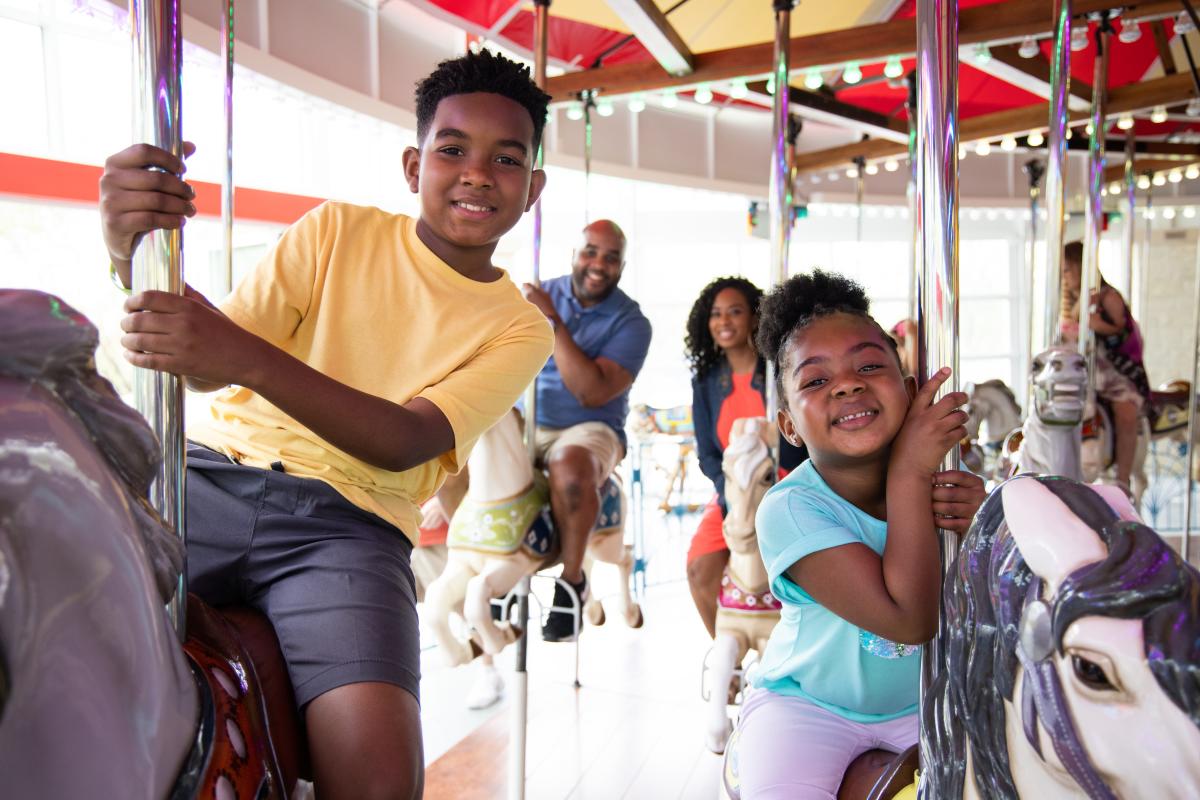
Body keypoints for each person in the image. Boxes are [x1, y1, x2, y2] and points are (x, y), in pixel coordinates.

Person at [99, 49, 555, 799]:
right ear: (414, 165)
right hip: (210, 478)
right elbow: (206, 363)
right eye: (452, 150)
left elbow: (405, 438)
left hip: (346, 528)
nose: (477, 173)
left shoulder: (518, 328)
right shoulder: (336, 231)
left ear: (532, 187)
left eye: (506, 159)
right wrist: (130, 251)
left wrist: (249, 358)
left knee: (378, 778)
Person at [732, 269, 986, 798]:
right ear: (789, 427)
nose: (848, 384)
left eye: (870, 365)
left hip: (927, 700)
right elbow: (909, 620)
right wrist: (910, 470)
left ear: (911, 392)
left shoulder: (950, 483)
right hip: (807, 707)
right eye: (815, 380)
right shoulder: (791, 509)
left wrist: (985, 524)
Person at [521, 220, 652, 641]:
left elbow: (591, 391)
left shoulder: (632, 323)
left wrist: (551, 320)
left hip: (590, 427)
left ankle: (572, 580)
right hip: (527, 418)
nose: (599, 264)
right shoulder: (538, 291)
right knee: (465, 437)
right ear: (575, 253)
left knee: (570, 465)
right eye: (591, 251)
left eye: (611, 257)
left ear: (623, 266)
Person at [683, 276, 806, 639]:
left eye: (735, 312)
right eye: (716, 314)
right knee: (699, 569)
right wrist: (730, 494)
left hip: (787, 487)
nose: (724, 321)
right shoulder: (706, 381)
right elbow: (707, 452)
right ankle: (728, 660)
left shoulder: (779, 371)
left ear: (755, 317)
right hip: (734, 492)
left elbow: (799, 441)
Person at [1059, 241, 1151, 495]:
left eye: (1067, 270)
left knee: (1125, 410)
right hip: (1084, 371)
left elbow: (1120, 331)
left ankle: (1123, 479)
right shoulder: (1071, 300)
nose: (1063, 276)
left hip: (1115, 370)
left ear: (1080, 267)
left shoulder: (1109, 296)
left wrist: (1095, 323)